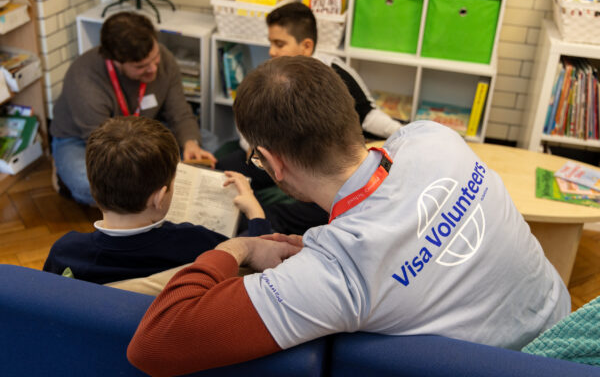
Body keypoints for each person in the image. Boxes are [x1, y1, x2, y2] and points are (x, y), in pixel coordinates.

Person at [127, 56, 571, 376]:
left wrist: (238, 246)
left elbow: (155, 342)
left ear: (272, 163)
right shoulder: (434, 137)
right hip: (562, 327)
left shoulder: (338, 271)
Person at [217, 2, 404, 235]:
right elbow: (252, 120)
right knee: (223, 170)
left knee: (279, 214)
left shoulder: (333, 73)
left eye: (279, 44)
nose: (272, 51)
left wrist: (402, 132)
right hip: (281, 153)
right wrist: (250, 146)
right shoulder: (271, 76)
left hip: (316, 163)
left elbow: (369, 116)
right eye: (271, 43)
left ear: (306, 46)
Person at [43, 116, 270, 285]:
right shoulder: (196, 242)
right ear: (159, 198)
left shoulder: (65, 252)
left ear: (93, 187)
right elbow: (253, 259)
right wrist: (255, 213)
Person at [50, 11, 216, 205]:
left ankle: (149, 195)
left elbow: (179, 112)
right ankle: (62, 173)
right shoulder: (84, 78)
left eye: (155, 58)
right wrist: (152, 169)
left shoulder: (164, 58)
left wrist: (190, 143)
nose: (153, 69)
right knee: (87, 183)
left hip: (146, 130)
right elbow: (104, 145)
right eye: (141, 66)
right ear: (116, 61)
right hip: (89, 142)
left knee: (209, 144)